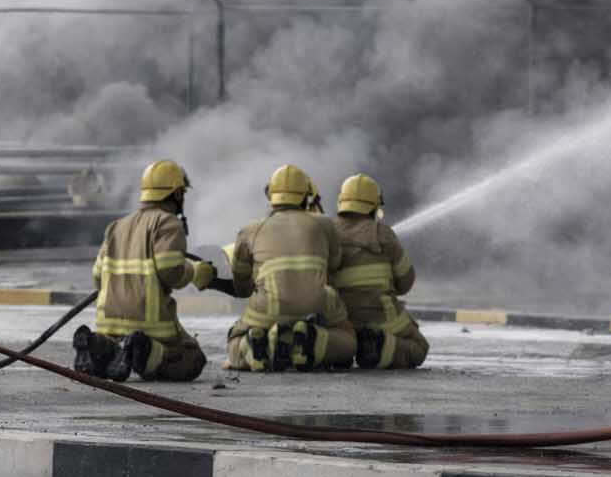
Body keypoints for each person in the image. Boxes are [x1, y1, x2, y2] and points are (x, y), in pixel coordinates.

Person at [72, 159, 212, 382]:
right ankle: (147, 351)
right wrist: (195, 272)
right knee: (192, 360)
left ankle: (99, 347)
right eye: (182, 193)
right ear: (175, 195)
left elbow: (97, 275)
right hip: (151, 324)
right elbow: (170, 272)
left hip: (109, 322)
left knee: (112, 346)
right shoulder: (168, 224)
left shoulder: (117, 226)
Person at [225, 164, 356, 371]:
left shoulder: (250, 231)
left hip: (266, 310)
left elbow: (241, 287)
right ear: (306, 196)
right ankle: (313, 342)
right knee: (348, 341)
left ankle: (252, 345)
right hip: (315, 307)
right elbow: (335, 265)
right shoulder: (324, 224)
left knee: (233, 343)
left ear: (271, 195)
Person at [330, 173, 428, 369]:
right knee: (418, 347)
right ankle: (380, 349)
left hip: (338, 319)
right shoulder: (384, 234)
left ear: (341, 201)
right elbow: (406, 281)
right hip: (381, 317)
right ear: (374, 206)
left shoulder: (327, 232)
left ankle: (341, 350)